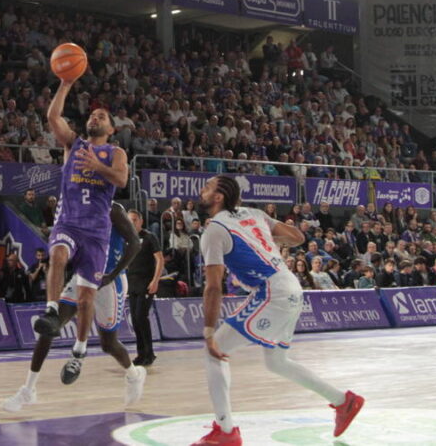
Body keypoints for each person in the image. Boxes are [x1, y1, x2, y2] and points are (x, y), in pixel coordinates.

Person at [191, 175, 363, 446]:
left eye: (206, 187)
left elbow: (213, 287)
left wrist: (208, 330)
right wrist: (266, 245)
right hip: (291, 286)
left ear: (218, 197)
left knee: (215, 351)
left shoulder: (214, 230)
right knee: (277, 362)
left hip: (273, 292)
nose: (201, 190)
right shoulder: (254, 214)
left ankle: (225, 432)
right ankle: (344, 402)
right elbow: (297, 236)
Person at [33, 76, 128, 397]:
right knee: (57, 255)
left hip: (97, 232)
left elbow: (121, 180)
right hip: (69, 223)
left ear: (111, 129)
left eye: (102, 117)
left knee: (87, 299)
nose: (95, 117)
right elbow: (52, 117)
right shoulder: (74, 144)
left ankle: (79, 351)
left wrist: (96, 166)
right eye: (93, 115)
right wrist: (64, 83)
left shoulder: (116, 153)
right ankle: (49, 311)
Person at [2, 202, 144, 412]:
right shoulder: (77, 207)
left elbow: (134, 243)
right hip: (85, 274)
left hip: (110, 282)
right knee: (50, 327)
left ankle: (134, 375)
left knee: (108, 344)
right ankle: (28, 390)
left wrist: (113, 274)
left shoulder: (113, 209)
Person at [126, 208, 162, 367]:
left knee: (141, 316)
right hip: (132, 283)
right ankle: (141, 354)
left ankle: (149, 353)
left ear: (140, 221)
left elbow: (160, 260)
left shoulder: (149, 237)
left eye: (134, 219)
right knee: (134, 319)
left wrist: (155, 281)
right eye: (129, 220)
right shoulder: (126, 238)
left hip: (146, 282)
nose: (132, 223)